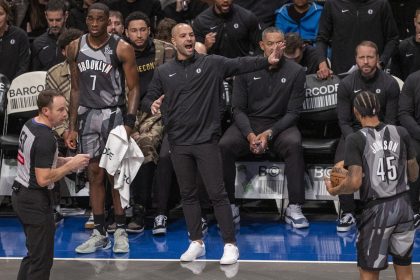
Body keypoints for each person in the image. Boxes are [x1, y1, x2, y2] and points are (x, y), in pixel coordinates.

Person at [142, 23, 282, 264]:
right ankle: (196, 241)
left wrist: (266, 59)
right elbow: (148, 97)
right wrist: (151, 105)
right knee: (188, 194)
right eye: (183, 36)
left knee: (217, 194)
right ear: (173, 42)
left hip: (206, 140)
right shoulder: (164, 72)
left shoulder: (211, 64)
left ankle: (230, 245)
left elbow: (241, 63)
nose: (188, 39)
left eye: (191, 35)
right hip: (178, 141)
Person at [66, 3, 140, 254]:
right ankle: (99, 232)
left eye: (100, 20)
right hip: (87, 115)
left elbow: (135, 88)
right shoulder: (75, 46)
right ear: (86, 20)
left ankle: (120, 229)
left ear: (108, 21)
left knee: (114, 174)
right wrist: (71, 125)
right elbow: (75, 89)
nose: (95, 24)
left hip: (113, 115)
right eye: (91, 19)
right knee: (94, 174)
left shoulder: (122, 47)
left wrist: (129, 122)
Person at [219, 27, 308, 229]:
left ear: (284, 45)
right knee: (224, 145)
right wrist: (250, 135)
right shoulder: (246, 68)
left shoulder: (296, 71)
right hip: (249, 122)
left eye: (279, 43)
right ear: (262, 45)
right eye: (270, 43)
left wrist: (269, 133)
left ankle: (294, 206)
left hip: (280, 124)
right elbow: (238, 109)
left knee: (294, 144)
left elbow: (293, 113)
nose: (275, 48)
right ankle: (229, 205)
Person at [325, 90, 418, 280]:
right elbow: (414, 175)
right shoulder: (401, 132)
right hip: (405, 208)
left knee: (369, 273)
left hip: (377, 212)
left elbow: (354, 182)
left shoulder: (355, 139)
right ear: (379, 108)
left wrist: (336, 189)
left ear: (356, 111)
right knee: (405, 272)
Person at [12, 89, 90, 280]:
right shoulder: (45, 138)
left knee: (33, 256)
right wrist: (71, 165)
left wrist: (66, 162)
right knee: (41, 262)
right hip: (34, 201)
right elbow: (44, 178)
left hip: (21, 195)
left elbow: (39, 161)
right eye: (60, 110)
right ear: (46, 111)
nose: (65, 114)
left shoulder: (31, 124)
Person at [334, 41, 400, 232]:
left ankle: (384, 210)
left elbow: (391, 120)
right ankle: (346, 211)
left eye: (370, 57)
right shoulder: (346, 83)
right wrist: (357, 141)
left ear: (378, 59)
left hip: (382, 132)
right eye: (362, 57)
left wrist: (375, 140)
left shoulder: (390, 83)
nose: (366, 61)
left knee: (387, 158)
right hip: (353, 134)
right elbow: (344, 121)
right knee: (340, 161)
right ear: (356, 59)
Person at [121, 11, 175, 233]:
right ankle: (110, 208)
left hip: (159, 112)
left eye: (143, 29)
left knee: (144, 145)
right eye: (134, 30)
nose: (139, 34)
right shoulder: (119, 52)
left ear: (149, 30)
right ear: (126, 32)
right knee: (112, 144)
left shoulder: (166, 51)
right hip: (127, 112)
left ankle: (140, 209)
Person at [316, 0, 399, 78]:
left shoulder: (381, 4)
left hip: (374, 74)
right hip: (342, 73)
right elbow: (322, 38)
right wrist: (322, 64)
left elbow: (393, 38)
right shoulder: (332, 4)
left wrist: (381, 62)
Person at [192, 0, 261, 58]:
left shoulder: (247, 17)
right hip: (214, 69)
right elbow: (195, 56)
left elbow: (259, 47)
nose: (225, 0)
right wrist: (205, 47)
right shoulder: (201, 21)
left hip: (242, 68)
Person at [398, 70, 420, 228]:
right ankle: (414, 210)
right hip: (418, 133)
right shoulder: (413, 79)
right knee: (413, 154)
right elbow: (404, 113)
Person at [31, 0, 68, 71]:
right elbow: (35, 73)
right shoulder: (38, 43)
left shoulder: (75, 40)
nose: (54, 24)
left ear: (66, 16)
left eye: (58, 20)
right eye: (51, 20)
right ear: (45, 16)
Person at [0, 0, 30, 81]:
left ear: (7, 15)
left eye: (0, 14)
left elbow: (23, 66)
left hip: (15, 87)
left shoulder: (20, 35)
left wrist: (13, 84)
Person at [391, 8, 420, 81]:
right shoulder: (403, 46)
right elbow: (395, 77)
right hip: (408, 90)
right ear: (415, 22)